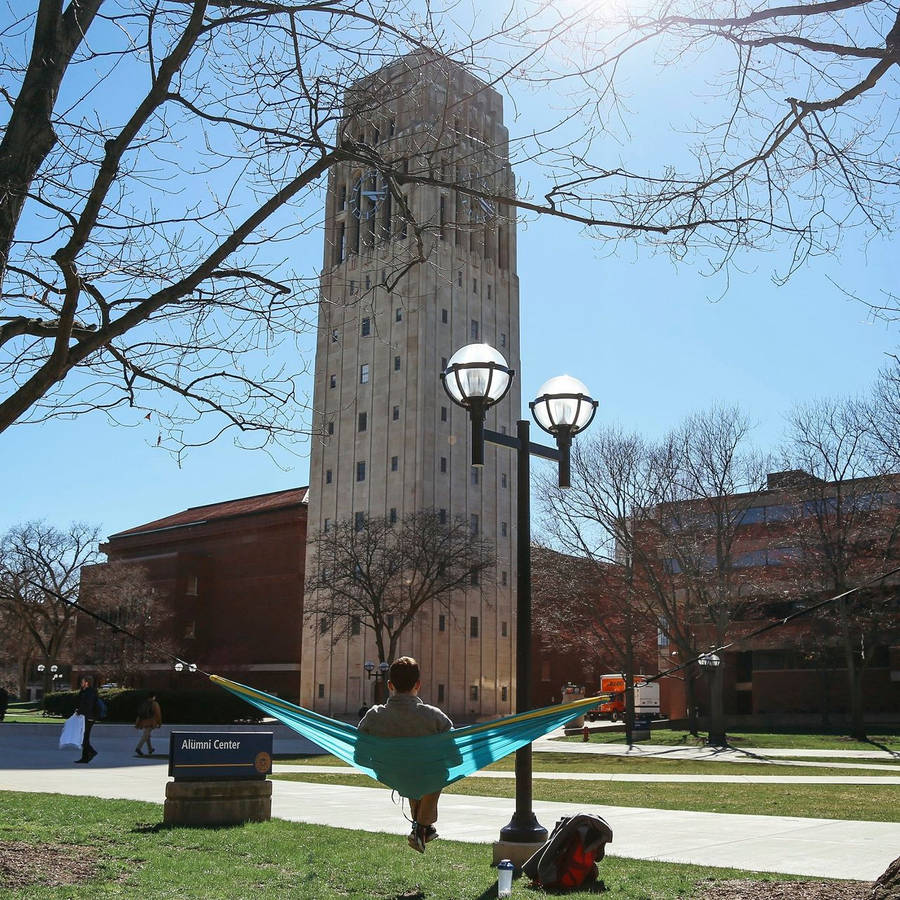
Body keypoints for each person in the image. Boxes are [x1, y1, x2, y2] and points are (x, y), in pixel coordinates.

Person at [357, 656, 452, 853]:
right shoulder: (434, 717)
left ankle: (421, 827)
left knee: (412, 769)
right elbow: (456, 758)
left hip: (392, 774)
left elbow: (360, 757)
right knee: (433, 770)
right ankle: (423, 826)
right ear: (418, 684)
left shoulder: (374, 716)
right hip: (427, 776)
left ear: (390, 685)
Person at [75, 676, 101, 764]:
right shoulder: (84, 691)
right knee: (84, 738)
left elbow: (88, 706)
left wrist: (80, 711)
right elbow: (81, 703)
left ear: (87, 682)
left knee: (84, 738)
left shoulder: (91, 692)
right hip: (84, 717)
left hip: (89, 717)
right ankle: (85, 758)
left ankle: (92, 752)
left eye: (82, 681)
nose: (81, 683)